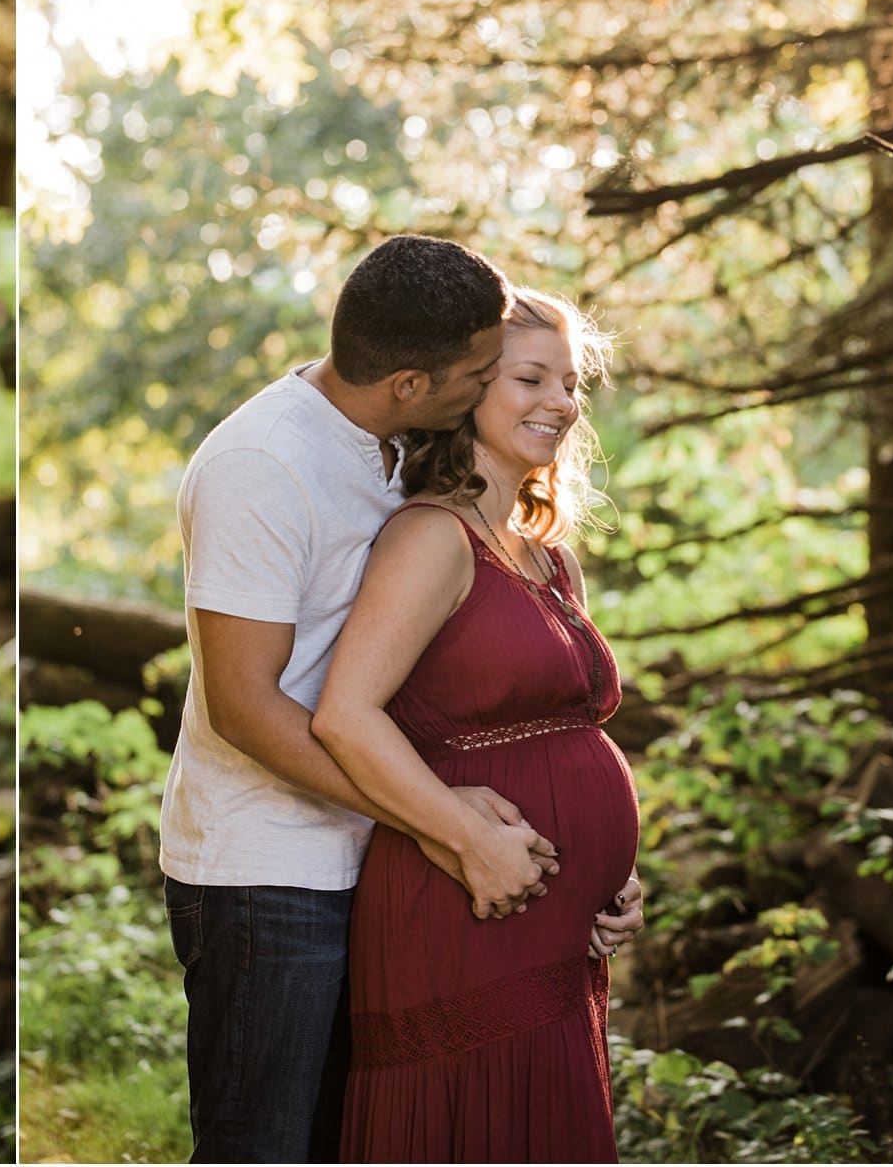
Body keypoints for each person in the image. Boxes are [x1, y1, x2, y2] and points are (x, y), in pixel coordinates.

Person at [160, 234, 566, 1164]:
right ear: (411, 382)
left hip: (370, 854)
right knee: (264, 1146)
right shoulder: (260, 464)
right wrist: (436, 821)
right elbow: (245, 707)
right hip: (268, 874)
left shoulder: (397, 442)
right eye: (479, 372)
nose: (488, 384)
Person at [312, 288, 644, 1163]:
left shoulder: (548, 555)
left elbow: (562, 736)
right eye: (531, 377)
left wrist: (613, 877)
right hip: (464, 902)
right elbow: (346, 714)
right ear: (469, 393)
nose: (563, 403)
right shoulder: (431, 537)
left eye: (571, 383)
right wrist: (464, 834)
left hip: (554, 928)